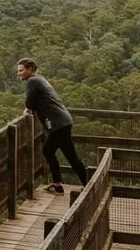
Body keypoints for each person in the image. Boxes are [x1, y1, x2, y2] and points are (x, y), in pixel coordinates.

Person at [18, 58, 88, 193]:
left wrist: (28, 109)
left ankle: (88, 185)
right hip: (62, 121)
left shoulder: (33, 81)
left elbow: (30, 103)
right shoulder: (40, 79)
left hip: (58, 123)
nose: (19, 73)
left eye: (21, 70)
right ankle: (57, 184)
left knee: (69, 156)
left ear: (30, 69)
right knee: (49, 151)